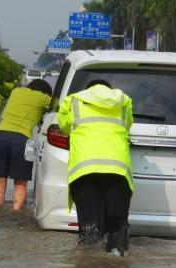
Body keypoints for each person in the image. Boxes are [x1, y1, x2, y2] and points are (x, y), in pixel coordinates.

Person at [57, 79, 134, 256]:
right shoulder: (123, 101)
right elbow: (127, 125)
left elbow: (64, 127)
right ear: (110, 90)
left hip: (84, 170)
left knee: (89, 226)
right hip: (117, 170)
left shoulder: (73, 101)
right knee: (117, 222)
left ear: (87, 90)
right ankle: (117, 257)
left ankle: (88, 260)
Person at [0, 79, 52, 210]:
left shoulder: (15, 92)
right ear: (45, 92)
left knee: (0, 181)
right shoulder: (45, 99)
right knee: (20, 184)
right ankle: (16, 214)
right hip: (24, 140)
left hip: (0, 136)